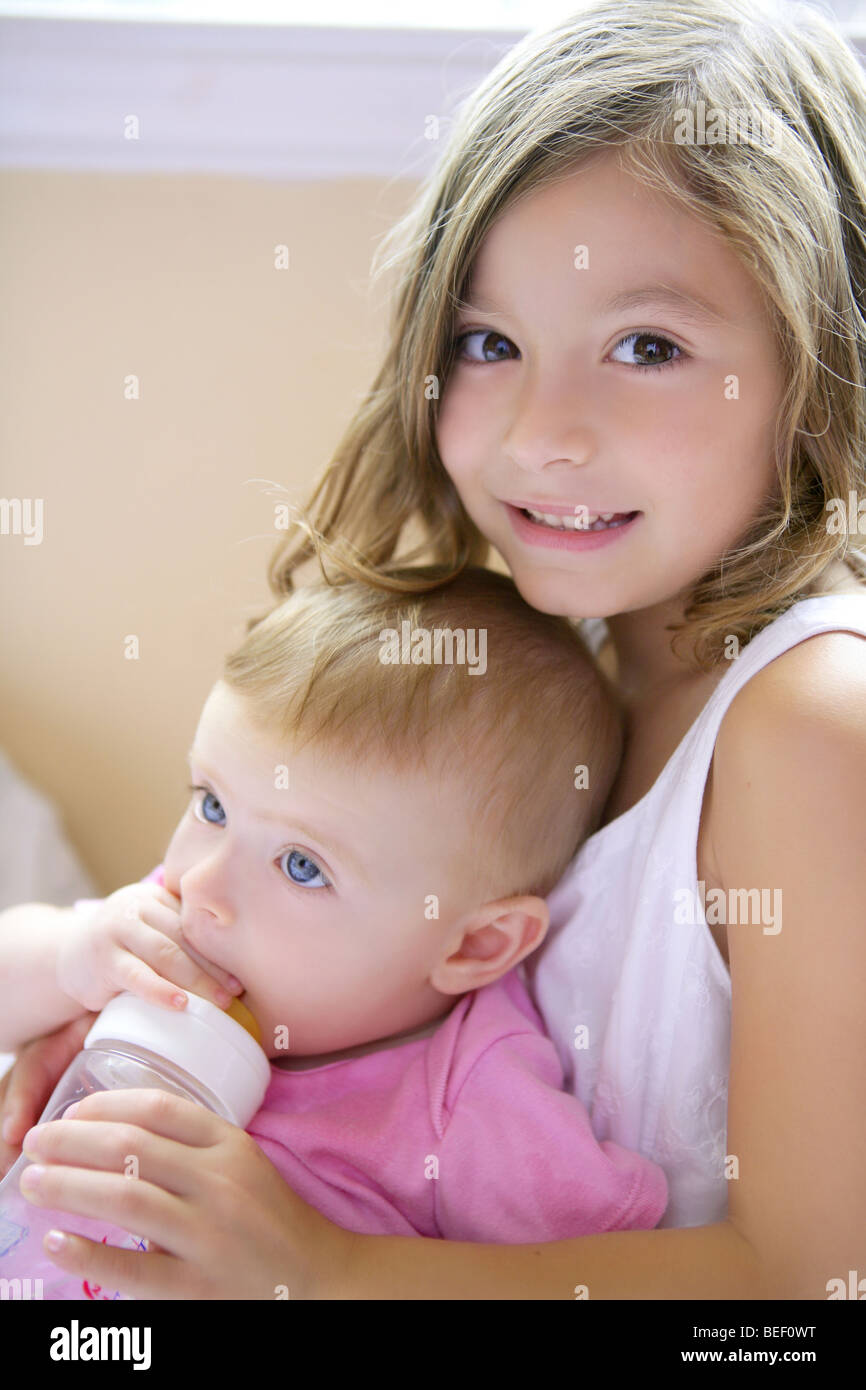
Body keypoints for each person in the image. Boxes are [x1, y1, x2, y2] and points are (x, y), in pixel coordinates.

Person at [1, 0, 865, 1298]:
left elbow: (814, 1280)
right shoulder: (549, 646)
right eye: (486, 340)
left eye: (646, 345)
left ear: (814, 366)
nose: (540, 430)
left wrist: (322, 1270)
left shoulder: (810, 721)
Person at [0, 569, 672, 1254]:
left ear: (473, 947)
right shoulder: (177, 928)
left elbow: (613, 1277)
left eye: (302, 866)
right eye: (212, 804)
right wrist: (67, 954)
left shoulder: (472, 1109)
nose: (202, 883)